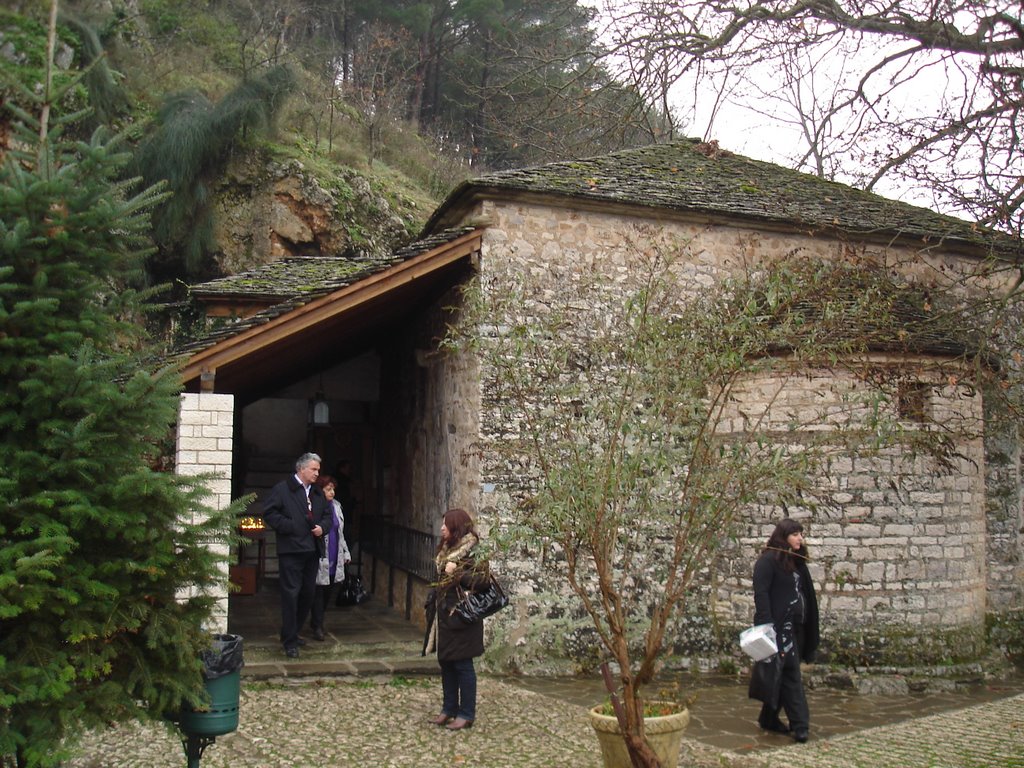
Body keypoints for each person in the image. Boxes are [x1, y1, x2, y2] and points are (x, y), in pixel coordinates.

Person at [749, 517, 820, 743]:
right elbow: (762, 596)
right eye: (795, 534)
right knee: (791, 675)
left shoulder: (797, 562)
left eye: (801, 534)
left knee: (781, 673)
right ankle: (801, 726)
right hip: (778, 630)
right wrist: (768, 628)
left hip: (796, 630)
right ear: (783, 536)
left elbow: (805, 594)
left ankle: (768, 718)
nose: (800, 538)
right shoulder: (767, 562)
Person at [422, 508, 489, 731]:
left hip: (462, 616)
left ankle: (466, 713)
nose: (442, 528)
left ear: (456, 527)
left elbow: (483, 581)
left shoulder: (473, 550)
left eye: (446, 524)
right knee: (447, 662)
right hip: (445, 616)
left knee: (462, 664)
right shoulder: (447, 549)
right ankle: (449, 708)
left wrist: (458, 574)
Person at [262, 452, 331, 658]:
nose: (317, 473)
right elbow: (270, 513)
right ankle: (290, 640)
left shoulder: (317, 493)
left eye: (318, 470)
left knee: (307, 594)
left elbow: (327, 515)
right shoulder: (283, 490)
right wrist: (291, 526)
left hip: (312, 549)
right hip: (291, 549)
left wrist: (322, 528)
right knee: (291, 594)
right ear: (301, 469)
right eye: (314, 469)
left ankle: (293, 631)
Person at [308, 474, 352, 641]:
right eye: (328, 489)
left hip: (335, 550)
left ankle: (318, 621)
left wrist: (346, 552)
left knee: (328, 591)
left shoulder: (337, 506)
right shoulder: (315, 507)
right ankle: (317, 625)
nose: (332, 492)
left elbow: (340, 533)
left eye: (333, 489)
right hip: (321, 552)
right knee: (318, 591)